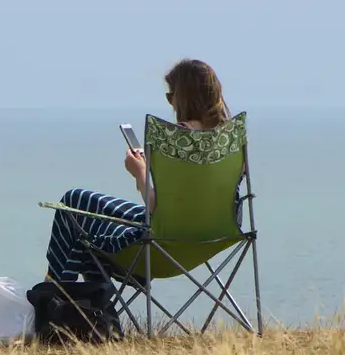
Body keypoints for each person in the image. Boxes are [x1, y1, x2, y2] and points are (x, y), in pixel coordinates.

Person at [43, 59, 230, 288]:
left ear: (184, 97)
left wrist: (139, 173)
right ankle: (94, 304)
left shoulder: (180, 138)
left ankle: (57, 296)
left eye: (171, 96)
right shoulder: (229, 142)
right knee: (84, 216)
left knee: (74, 205)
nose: (170, 103)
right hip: (209, 240)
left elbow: (155, 207)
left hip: (162, 243)